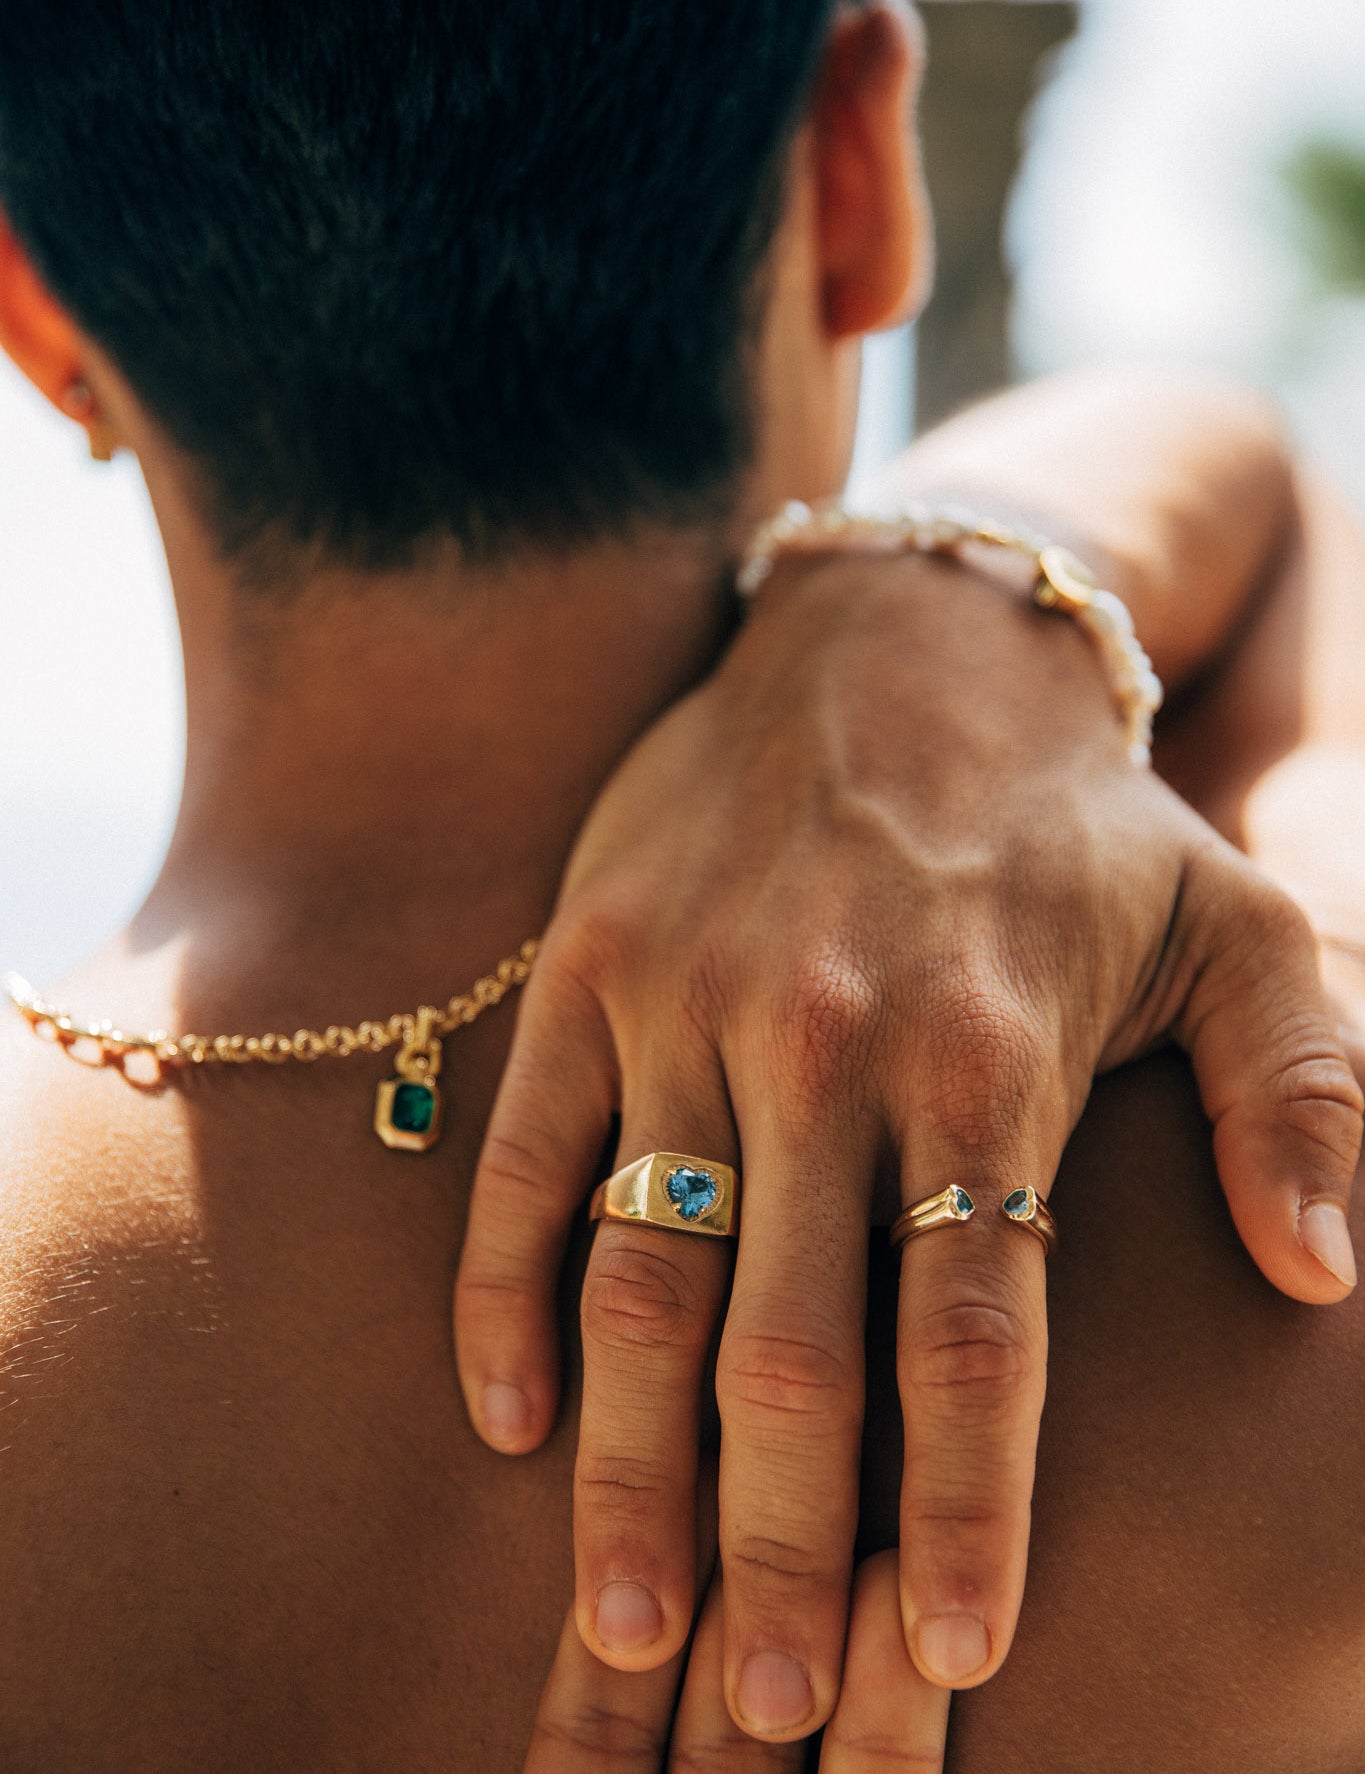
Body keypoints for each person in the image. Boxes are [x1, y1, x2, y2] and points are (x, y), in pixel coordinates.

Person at [0, 3, 1357, 1768]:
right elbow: (1300, 525)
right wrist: (965, 596)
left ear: (33, 312)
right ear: (859, 174)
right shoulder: (1288, 1219)